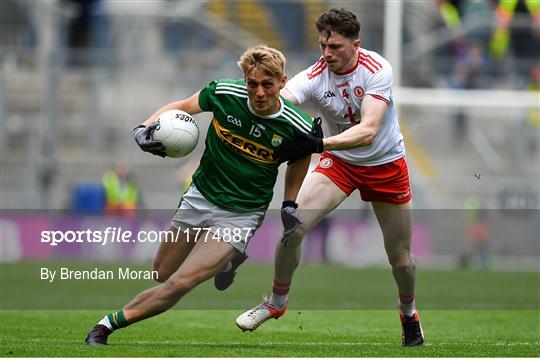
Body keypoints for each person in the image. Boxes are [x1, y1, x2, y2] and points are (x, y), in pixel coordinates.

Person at [84, 45, 319, 345]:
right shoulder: (223, 93)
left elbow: (300, 160)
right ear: (245, 80)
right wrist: (143, 128)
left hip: (241, 214)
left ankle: (105, 326)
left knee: (181, 282)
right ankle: (227, 263)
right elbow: (182, 106)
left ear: (282, 82)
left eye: (267, 84)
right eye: (252, 84)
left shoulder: (298, 125)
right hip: (200, 196)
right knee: (161, 272)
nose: (259, 92)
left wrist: (289, 202)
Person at [235, 8, 424, 347]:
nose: (326, 53)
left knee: (401, 261)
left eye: (335, 46)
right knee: (294, 226)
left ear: (356, 44)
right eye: (323, 44)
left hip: (385, 164)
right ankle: (276, 303)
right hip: (339, 163)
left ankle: (408, 311)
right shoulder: (313, 76)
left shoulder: (377, 69)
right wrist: (251, 110)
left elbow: (368, 131)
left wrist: (318, 143)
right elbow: (277, 105)